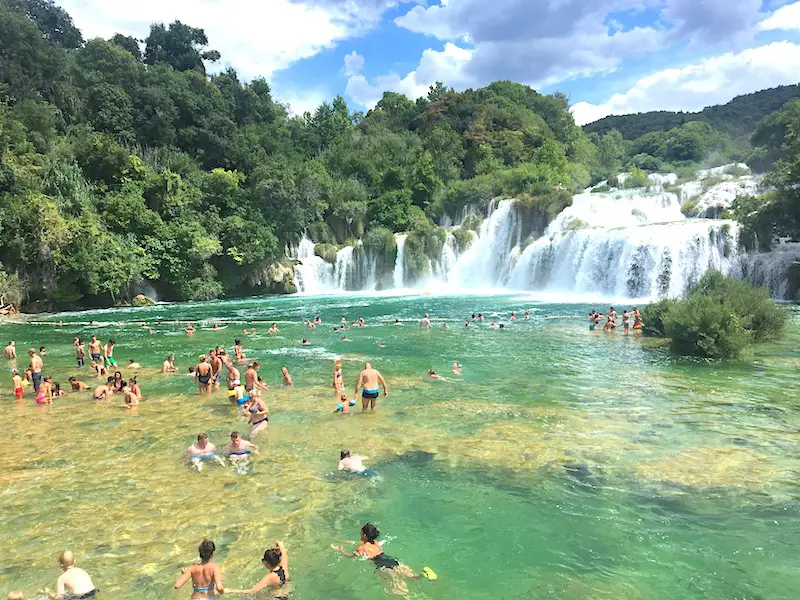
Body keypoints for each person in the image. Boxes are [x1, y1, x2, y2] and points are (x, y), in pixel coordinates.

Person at [331, 524, 432, 596]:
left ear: (364, 535)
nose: (360, 534)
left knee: (397, 587)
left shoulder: (361, 549)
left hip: (382, 566)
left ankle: (408, 598)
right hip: (391, 560)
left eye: (361, 533)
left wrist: (341, 550)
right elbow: (355, 542)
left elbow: (349, 556)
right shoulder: (375, 542)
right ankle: (422, 574)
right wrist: (344, 541)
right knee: (410, 576)